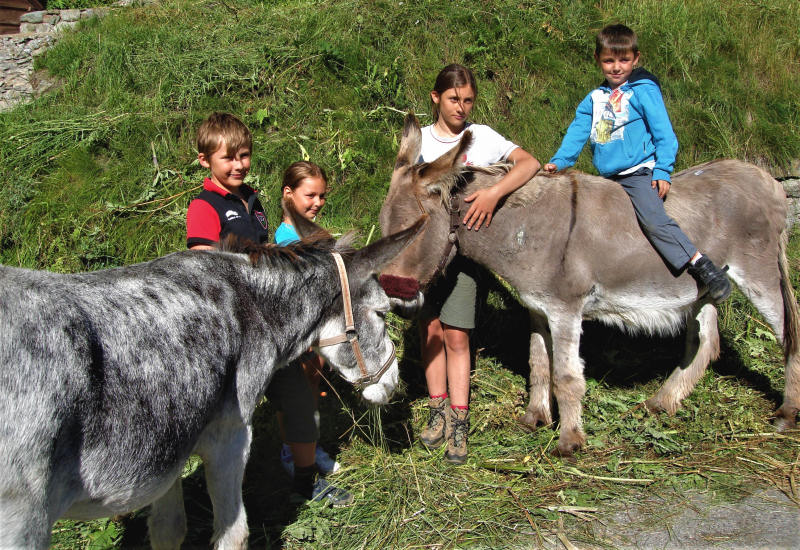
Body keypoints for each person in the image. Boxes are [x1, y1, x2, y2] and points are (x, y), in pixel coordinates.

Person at [185, 113, 351, 507]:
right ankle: (197, 490)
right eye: (228, 158)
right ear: (204, 160)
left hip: (272, 327)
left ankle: (306, 480)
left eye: (244, 155)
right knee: (218, 416)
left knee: (297, 397)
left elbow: (269, 250)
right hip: (231, 329)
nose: (239, 165)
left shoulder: (254, 200)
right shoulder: (204, 206)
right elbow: (204, 265)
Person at [543, 24, 731, 302]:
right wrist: (559, 162)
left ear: (636, 58)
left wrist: (663, 169)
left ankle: (702, 265)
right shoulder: (594, 99)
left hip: (637, 173)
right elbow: (577, 134)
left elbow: (664, 133)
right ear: (597, 59)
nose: (616, 67)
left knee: (653, 220)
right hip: (607, 178)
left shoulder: (643, 91)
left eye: (624, 60)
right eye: (609, 60)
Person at [416, 64, 541, 464]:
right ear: (436, 97)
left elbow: (529, 163)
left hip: (465, 255)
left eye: (468, 100)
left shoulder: (481, 137)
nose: (461, 108)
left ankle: (459, 423)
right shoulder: (418, 141)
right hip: (425, 251)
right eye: (454, 99)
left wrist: (493, 194)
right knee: (429, 328)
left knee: (457, 335)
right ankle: (437, 411)